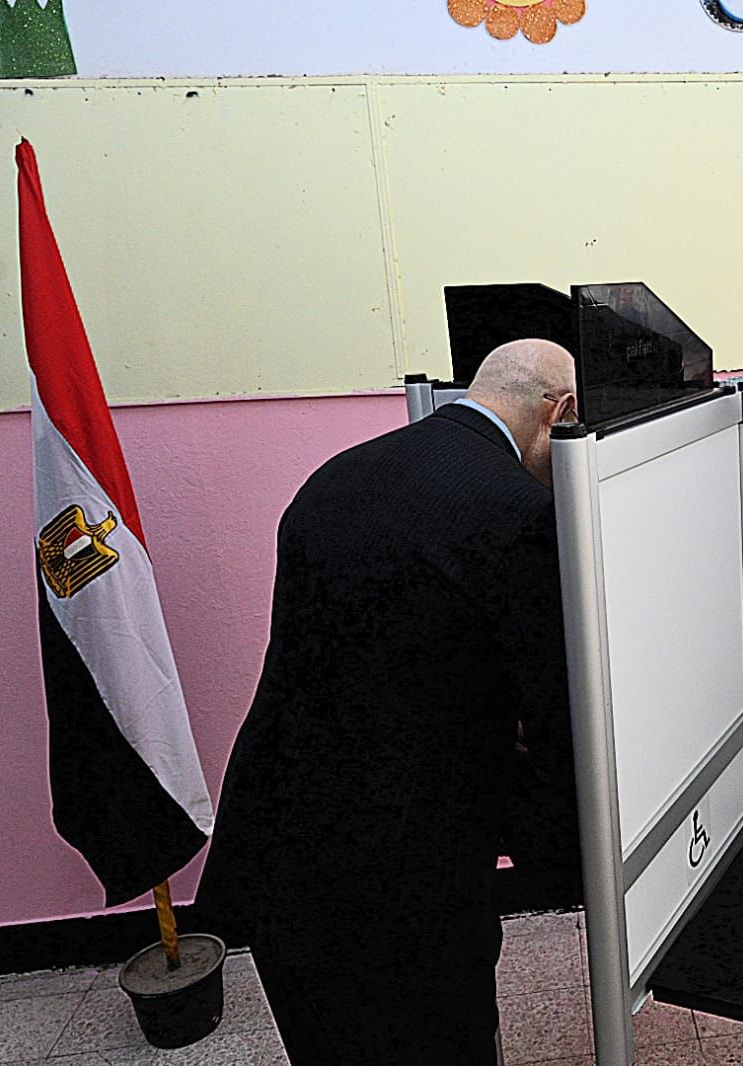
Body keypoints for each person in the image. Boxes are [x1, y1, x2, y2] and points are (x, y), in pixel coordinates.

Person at [197, 340, 583, 1065]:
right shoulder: (521, 512)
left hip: (278, 833)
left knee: (326, 1041)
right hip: (407, 863)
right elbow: (553, 709)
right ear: (559, 414)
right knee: (440, 1039)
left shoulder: (337, 474)